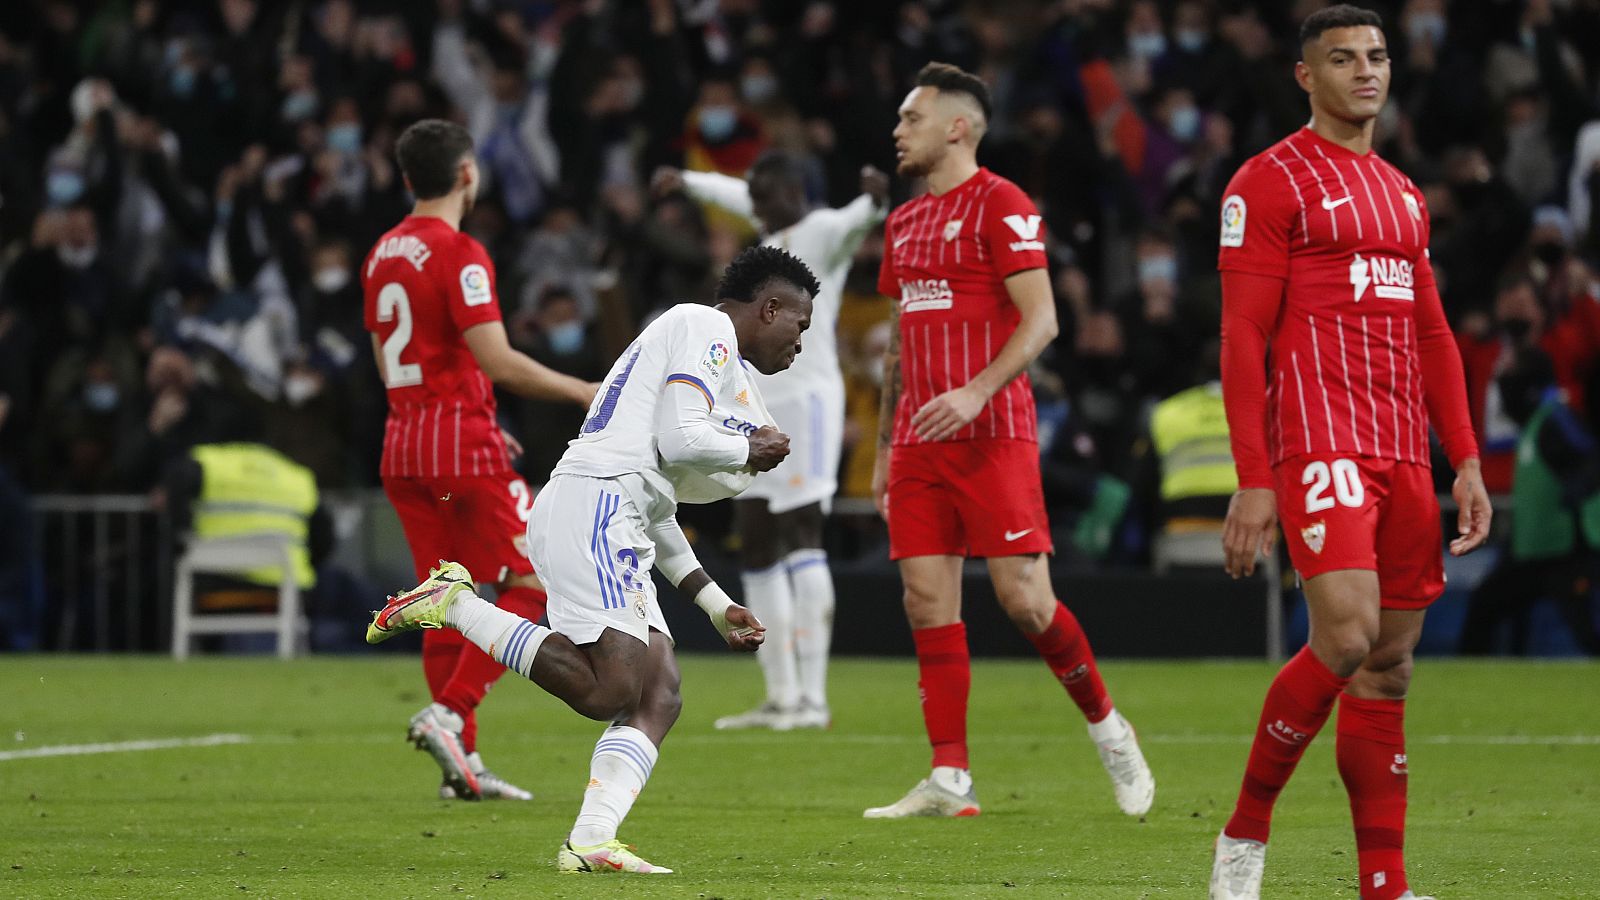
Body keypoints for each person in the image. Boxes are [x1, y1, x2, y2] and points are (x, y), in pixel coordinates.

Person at [366, 244, 819, 874]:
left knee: (659, 693)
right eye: (799, 325)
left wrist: (715, 606)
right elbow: (683, 437)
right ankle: (457, 604)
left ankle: (590, 841)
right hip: (596, 506)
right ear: (770, 308)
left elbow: (658, 508)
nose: (800, 344)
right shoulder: (705, 325)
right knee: (613, 688)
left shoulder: (692, 352)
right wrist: (748, 445)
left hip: (615, 511)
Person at [1208, 8, 1492, 900]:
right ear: (1305, 76)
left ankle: (1385, 882)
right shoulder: (1268, 182)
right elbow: (1241, 333)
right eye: (1342, 58)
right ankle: (1242, 842)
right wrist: (1254, 479)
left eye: (1375, 56)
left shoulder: (1404, 193)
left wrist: (1468, 460)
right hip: (1319, 438)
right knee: (1348, 633)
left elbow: (1435, 335)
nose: (1365, 71)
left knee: (1390, 664)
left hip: (1404, 447)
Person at [864, 62, 1155, 819]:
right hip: (920, 439)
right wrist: (884, 449)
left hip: (994, 431)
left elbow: (1043, 319)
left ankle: (1109, 728)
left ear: (957, 127)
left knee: (1024, 600)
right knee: (925, 598)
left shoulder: (1003, 203)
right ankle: (950, 777)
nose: (899, 131)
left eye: (912, 118)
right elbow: (899, 339)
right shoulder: (903, 222)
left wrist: (974, 391)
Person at [362, 119, 596, 802]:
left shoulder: (380, 253)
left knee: (445, 600)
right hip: (458, 445)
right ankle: (450, 714)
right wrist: (580, 388)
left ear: (408, 179)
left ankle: (461, 762)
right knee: (535, 580)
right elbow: (499, 360)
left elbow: (386, 361)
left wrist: (462, 410)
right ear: (467, 174)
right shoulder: (460, 252)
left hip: (404, 441)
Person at [652, 152, 889, 731]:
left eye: (764, 195)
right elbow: (733, 196)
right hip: (754, 404)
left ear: (793, 191)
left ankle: (813, 698)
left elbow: (862, 216)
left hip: (808, 401)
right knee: (755, 534)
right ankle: (781, 696)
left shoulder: (822, 230)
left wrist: (876, 198)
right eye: (752, 197)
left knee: (802, 529)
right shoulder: (771, 234)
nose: (753, 205)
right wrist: (686, 179)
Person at [1458, 348, 1600, 655]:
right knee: (1486, 605)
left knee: (1587, 631)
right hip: (1532, 552)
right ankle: (1476, 677)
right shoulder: (1534, 425)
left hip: (1567, 551)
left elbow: (1589, 461)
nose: (1503, 384)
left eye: (1508, 374)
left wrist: (1572, 497)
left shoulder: (1556, 420)